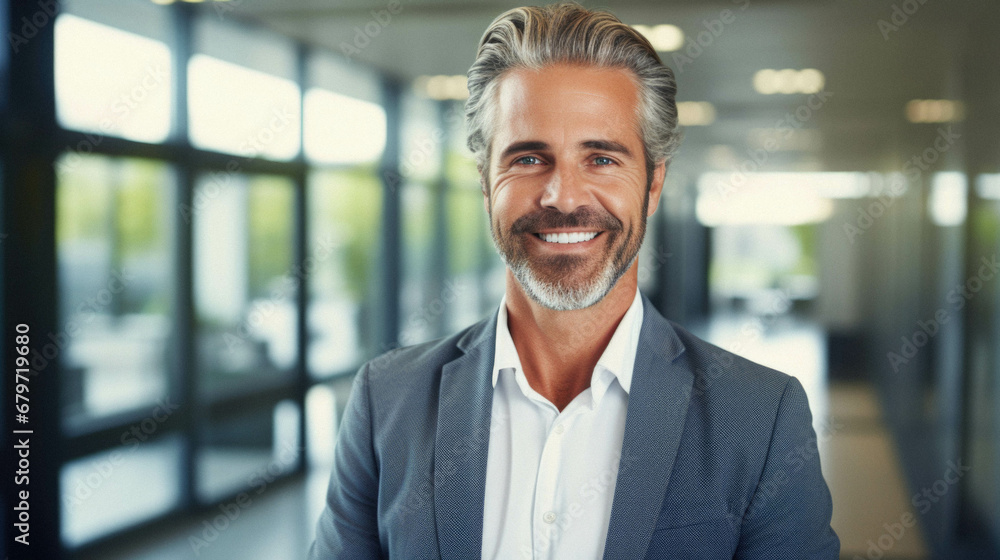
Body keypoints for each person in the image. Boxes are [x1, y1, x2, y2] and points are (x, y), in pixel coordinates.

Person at [309, 3, 839, 558]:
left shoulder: (759, 418)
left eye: (602, 159)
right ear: (487, 186)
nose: (563, 196)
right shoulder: (386, 402)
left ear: (653, 184)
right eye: (530, 157)